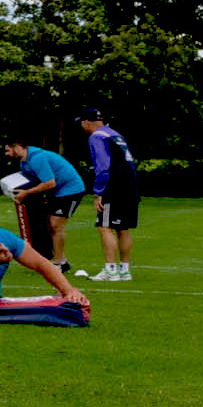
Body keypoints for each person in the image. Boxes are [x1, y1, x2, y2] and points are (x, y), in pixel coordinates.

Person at [2, 138, 86, 271]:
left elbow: (50, 182)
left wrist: (27, 192)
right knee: (48, 226)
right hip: (57, 192)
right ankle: (62, 262)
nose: (6, 154)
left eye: (7, 150)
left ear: (17, 147)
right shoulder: (24, 162)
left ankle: (58, 263)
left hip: (71, 190)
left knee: (55, 225)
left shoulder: (37, 158)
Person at [79, 109, 138, 281]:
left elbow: (103, 166)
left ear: (87, 121)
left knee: (104, 226)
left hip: (114, 187)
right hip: (130, 186)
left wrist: (99, 192)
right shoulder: (115, 134)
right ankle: (124, 271)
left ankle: (110, 270)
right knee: (123, 228)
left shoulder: (97, 137)